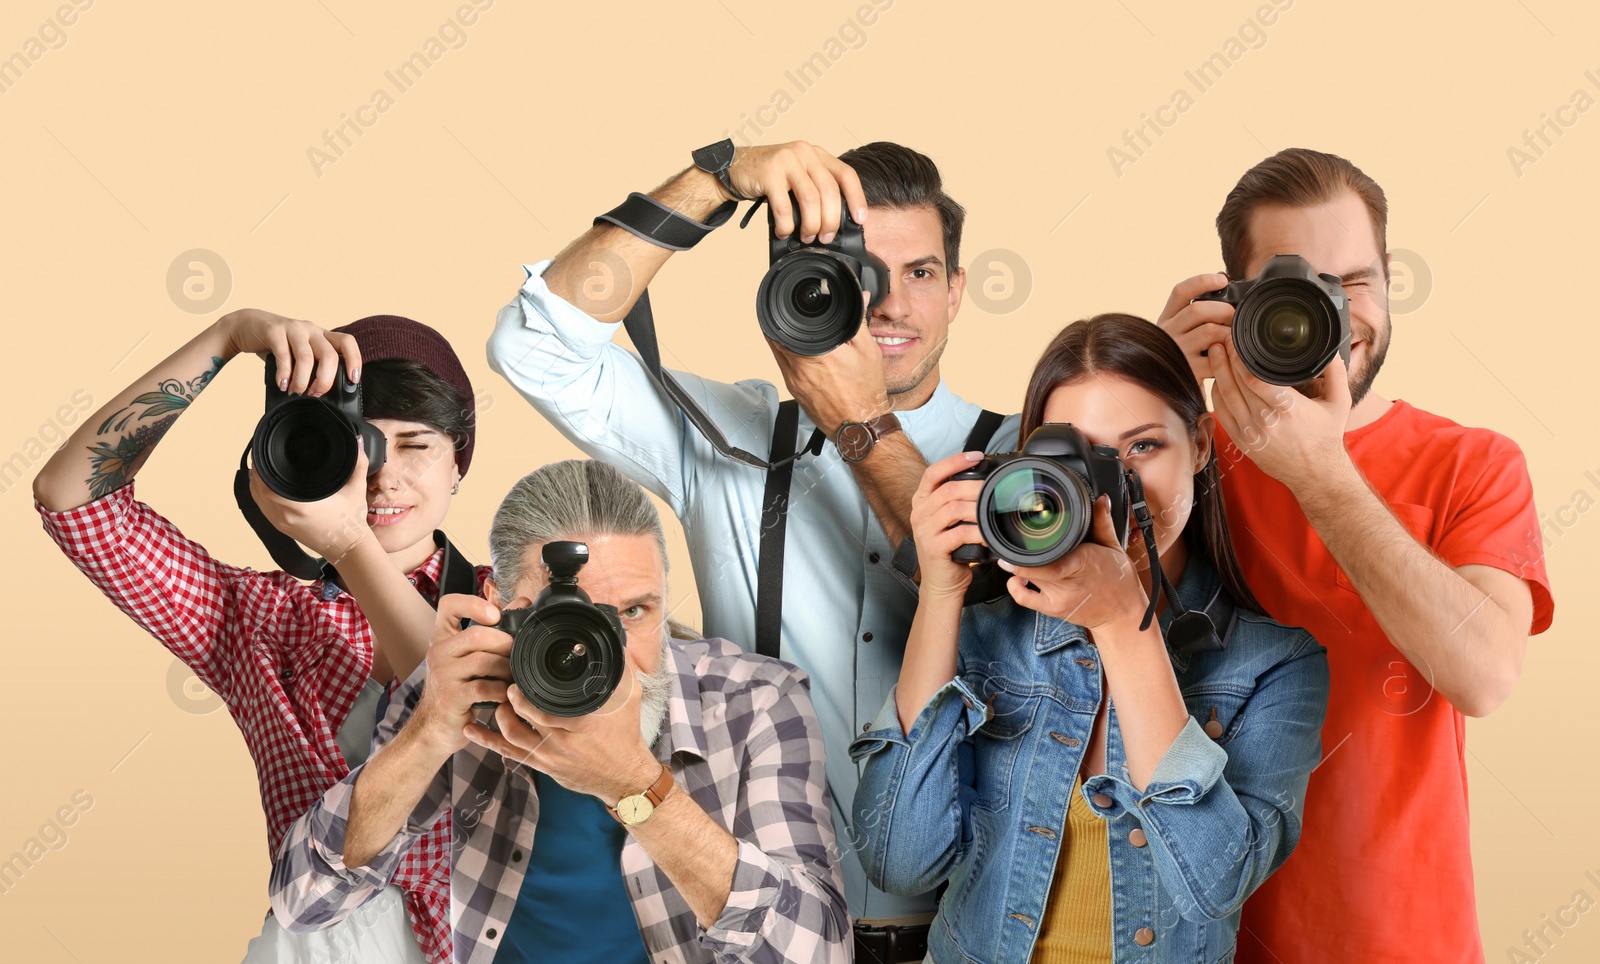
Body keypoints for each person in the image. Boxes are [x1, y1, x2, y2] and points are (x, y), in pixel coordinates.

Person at [485, 138, 1019, 955]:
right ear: (807, 286)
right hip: (754, 932)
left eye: (918, 273)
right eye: (861, 273)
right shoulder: (730, 438)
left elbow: (1002, 599)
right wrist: (711, 179)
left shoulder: (1020, 458)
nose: (890, 306)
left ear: (955, 292)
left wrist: (857, 422)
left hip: (968, 938)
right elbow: (536, 345)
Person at [1156, 148, 1556, 963]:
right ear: (1232, 301)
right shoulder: (1186, 454)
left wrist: (1320, 472)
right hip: (1195, 935)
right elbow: (1045, 602)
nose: (1330, 314)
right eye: (1292, 285)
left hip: (1402, 938)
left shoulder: (1472, 462)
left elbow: (1485, 674)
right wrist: (1148, 394)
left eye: (1356, 281)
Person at [851, 314, 1330, 962]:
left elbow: (1214, 883)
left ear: (1201, 445)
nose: (1113, 490)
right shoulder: (987, 638)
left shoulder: (1275, 665)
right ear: (1030, 472)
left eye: (1142, 448)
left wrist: (1121, 625)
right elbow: (898, 863)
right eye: (1081, 458)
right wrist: (941, 596)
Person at [33, 310, 486, 964]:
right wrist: (226, 338)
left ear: (458, 467)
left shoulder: (522, 604)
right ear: (312, 453)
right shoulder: (260, 617)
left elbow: (456, 704)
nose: (385, 475)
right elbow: (73, 500)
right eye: (358, 442)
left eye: (417, 445)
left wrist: (348, 543)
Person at [269, 458, 849, 963]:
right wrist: (424, 734)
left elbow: (818, 954)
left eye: (637, 612)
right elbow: (305, 902)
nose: (609, 653)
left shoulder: (755, 701)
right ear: (498, 606)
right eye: (577, 618)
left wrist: (636, 785)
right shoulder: (464, 690)